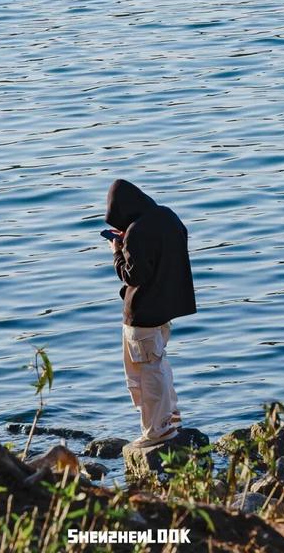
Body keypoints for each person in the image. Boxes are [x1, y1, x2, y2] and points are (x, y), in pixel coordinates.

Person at [105, 178, 197, 448]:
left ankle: (157, 430)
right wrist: (131, 241)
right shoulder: (167, 216)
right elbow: (161, 254)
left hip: (142, 314)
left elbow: (133, 276)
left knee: (145, 373)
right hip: (165, 309)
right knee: (158, 364)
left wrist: (118, 252)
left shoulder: (137, 232)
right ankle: (171, 417)